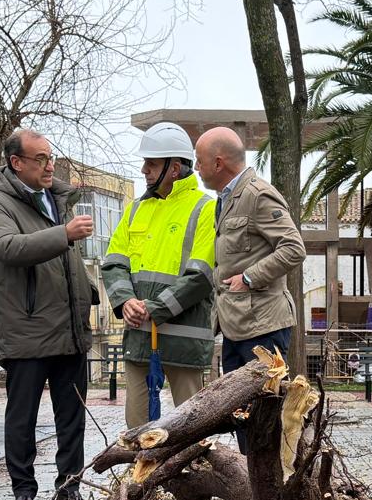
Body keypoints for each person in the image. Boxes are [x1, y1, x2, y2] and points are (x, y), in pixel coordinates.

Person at [0, 129, 95, 500]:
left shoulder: (59, 197)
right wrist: (63, 234)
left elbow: (66, 262)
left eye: (51, 157)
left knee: (72, 415)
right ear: (17, 163)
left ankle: (69, 488)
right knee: (22, 417)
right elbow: (7, 248)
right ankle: (23, 493)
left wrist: (87, 290)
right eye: (41, 159)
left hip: (70, 328)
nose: (50, 165)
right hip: (28, 329)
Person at [101, 122, 217, 431]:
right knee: (137, 429)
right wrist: (125, 301)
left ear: (174, 168)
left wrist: (155, 309)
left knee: (192, 428)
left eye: (151, 163)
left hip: (183, 340)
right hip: (139, 336)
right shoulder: (136, 209)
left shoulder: (206, 208)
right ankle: (139, 480)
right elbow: (114, 262)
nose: (143, 170)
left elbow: (202, 274)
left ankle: (193, 478)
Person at [194, 126, 306, 376]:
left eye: (199, 161)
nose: (195, 168)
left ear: (218, 163)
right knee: (238, 410)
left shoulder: (258, 195)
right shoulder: (225, 198)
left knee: (264, 407)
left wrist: (248, 278)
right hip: (236, 326)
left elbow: (293, 248)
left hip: (263, 328)